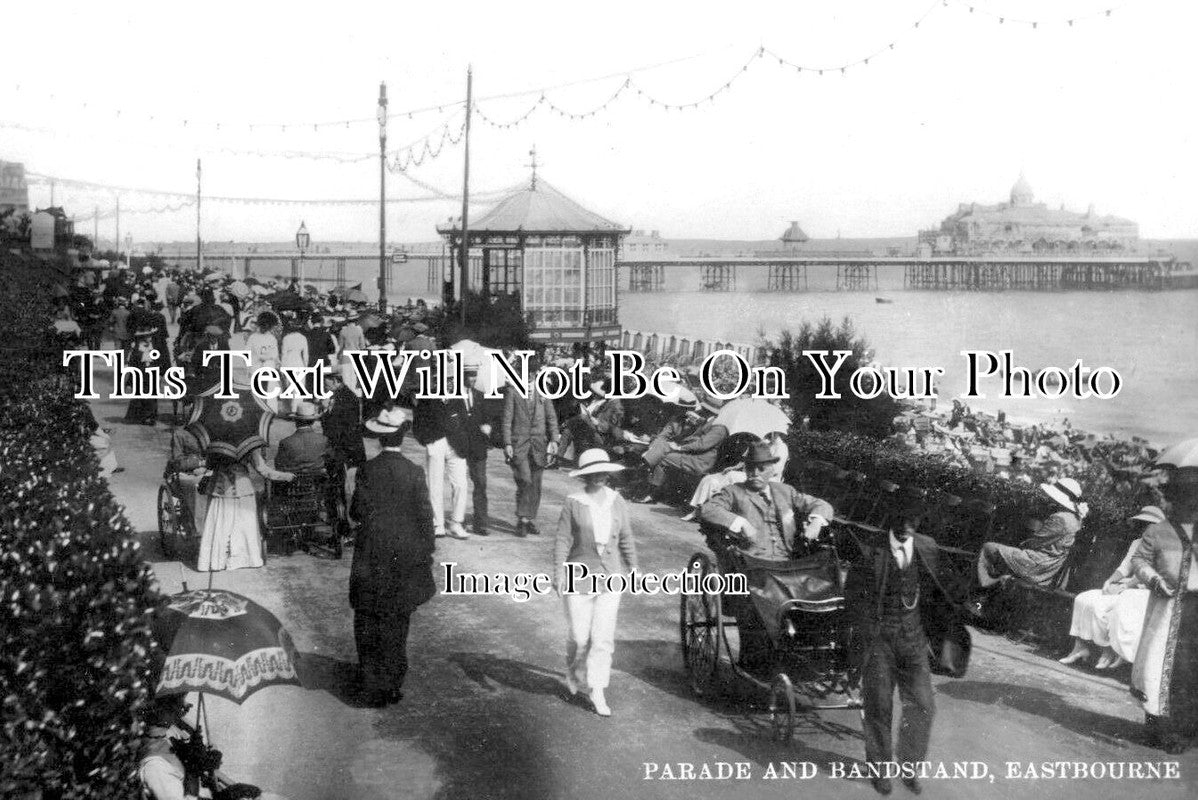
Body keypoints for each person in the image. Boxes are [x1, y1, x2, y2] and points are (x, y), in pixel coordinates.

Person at [843, 502, 971, 795]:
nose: (908, 527)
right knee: (879, 705)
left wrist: (963, 607)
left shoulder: (927, 547)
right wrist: (866, 635)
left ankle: (909, 767)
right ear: (892, 519)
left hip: (913, 639)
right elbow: (853, 599)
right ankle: (879, 770)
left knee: (924, 705)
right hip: (879, 641)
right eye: (903, 520)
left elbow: (947, 586)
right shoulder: (869, 550)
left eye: (914, 521)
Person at [350, 406, 437, 706]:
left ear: (379, 438)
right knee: (397, 622)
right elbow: (426, 519)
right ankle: (392, 684)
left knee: (368, 618)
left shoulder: (367, 469)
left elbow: (356, 512)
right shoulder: (414, 472)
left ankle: (370, 681)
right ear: (403, 436)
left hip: (371, 555)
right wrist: (426, 553)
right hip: (404, 558)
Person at [553, 448, 638, 717]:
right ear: (584, 476)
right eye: (593, 473)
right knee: (579, 637)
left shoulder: (617, 500)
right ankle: (573, 668)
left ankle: (597, 688)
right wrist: (558, 571)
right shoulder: (574, 502)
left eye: (603, 471)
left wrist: (634, 568)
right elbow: (563, 539)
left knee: (602, 638)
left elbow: (626, 537)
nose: (599, 476)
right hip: (579, 577)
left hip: (611, 577)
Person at [1131, 465, 1198, 754]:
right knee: (1161, 666)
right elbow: (1139, 561)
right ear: (1174, 499)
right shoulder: (1157, 531)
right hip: (1167, 607)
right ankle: (1159, 727)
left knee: (1189, 671)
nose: (1189, 504)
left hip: (1195, 608)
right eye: (1184, 497)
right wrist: (1154, 579)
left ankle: (1186, 730)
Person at [1058, 505, 1164, 670]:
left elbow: (1145, 572)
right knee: (1084, 598)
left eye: (1149, 524)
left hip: (1144, 591)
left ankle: (1107, 650)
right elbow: (1124, 567)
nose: (1145, 528)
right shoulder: (1137, 543)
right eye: (1142, 524)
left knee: (1105, 607)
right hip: (1127, 586)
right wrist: (1110, 581)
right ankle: (1079, 647)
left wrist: (1125, 586)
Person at [975, 477, 1086, 593]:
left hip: (1037, 564)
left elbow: (1036, 542)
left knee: (988, 548)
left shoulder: (1061, 518)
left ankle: (980, 591)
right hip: (1052, 565)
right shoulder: (1076, 519)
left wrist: (1021, 543)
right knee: (1007, 553)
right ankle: (996, 587)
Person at [197, 448, 294, 572]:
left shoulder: (216, 445)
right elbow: (262, 469)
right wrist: (285, 476)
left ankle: (216, 561)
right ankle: (246, 558)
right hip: (243, 489)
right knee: (245, 526)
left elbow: (209, 465)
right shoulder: (248, 445)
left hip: (220, 489)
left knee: (219, 526)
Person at [501, 359, 560, 537]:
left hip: (539, 445)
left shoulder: (543, 392)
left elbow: (551, 418)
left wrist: (555, 440)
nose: (526, 378)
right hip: (519, 444)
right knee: (524, 480)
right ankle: (522, 519)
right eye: (523, 374)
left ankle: (530, 518)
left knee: (536, 484)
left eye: (530, 374)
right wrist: (507, 443)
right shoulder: (512, 392)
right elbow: (506, 419)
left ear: (535, 375)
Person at [413, 369, 471, 540]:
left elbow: (465, 422)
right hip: (435, 442)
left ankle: (456, 523)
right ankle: (437, 523)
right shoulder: (426, 398)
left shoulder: (458, 397)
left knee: (461, 483)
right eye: (443, 380)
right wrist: (427, 441)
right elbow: (418, 423)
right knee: (434, 484)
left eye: (451, 380)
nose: (448, 383)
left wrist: (464, 442)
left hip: (456, 445)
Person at [637, 410, 729, 504]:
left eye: (704, 409)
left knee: (664, 459)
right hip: (695, 456)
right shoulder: (710, 423)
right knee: (663, 450)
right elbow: (694, 440)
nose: (700, 411)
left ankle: (650, 492)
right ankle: (647, 483)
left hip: (700, 461)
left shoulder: (719, 428)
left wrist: (680, 447)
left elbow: (701, 445)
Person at [320, 366, 365, 514]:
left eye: (327, 384)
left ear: (334, 380)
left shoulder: (345, 397)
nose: (326, 387)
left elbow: (333, 428)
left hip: (345, 449)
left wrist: (325, 411)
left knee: (344, 487)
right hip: (347, 446)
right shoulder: (342, 395)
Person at [459, 363, 493, 535]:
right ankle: (459, 519)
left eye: (474, 375)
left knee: (480, 483)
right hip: (460, 447)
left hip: (478, 448)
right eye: (470, 375)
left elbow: (487, 417)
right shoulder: (454, 396)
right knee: (459, 484)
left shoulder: (480, 396)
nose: (473, 379)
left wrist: (487, 426)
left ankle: (481, 522)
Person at [274, 401, 329, 476]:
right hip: (317, 483)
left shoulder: (286, 442)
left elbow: (279, 466)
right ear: (312, 421)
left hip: (293, 484)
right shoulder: (323, 440)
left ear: (296, 420)